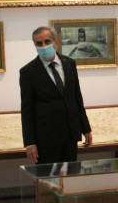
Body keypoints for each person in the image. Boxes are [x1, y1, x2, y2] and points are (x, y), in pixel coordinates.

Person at [20, 26, 92, 163]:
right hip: (46, 139)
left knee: (70, 173)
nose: (44, 46)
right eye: (39, 43)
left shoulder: (69, 64)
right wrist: (30, 143)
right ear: (35, 46)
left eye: (47, 41)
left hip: (70, 134)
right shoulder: (28, 72)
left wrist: (86, 129)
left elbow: (77, 99)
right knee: (48, 176)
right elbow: (27, 110)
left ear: (56, 42)